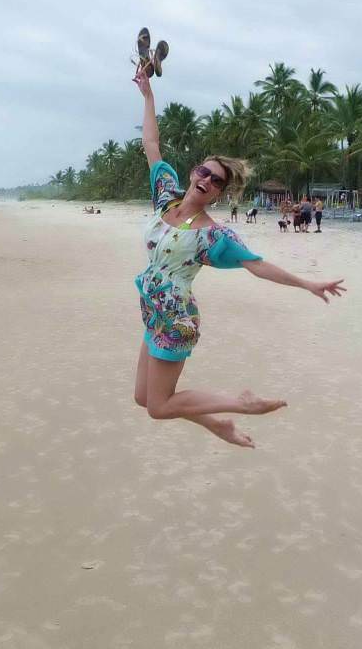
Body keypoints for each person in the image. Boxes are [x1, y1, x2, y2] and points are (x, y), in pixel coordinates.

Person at [132, 68, 344, 448]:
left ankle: (240, 403)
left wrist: (308, 283)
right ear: (193, 172)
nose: (207, 180)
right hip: (152, 311)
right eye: (204, 171)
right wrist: (148, 96)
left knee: (158, 407)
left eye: (217, 182)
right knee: (143, 397)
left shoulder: (214, 235)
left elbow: (257, 265)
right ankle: (219, 425)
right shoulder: (166, 197)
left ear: (218, 195)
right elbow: (151, 143)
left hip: (177, 319)